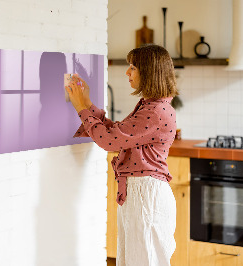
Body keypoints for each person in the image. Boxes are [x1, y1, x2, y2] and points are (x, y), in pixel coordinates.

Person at [66, 44, 178, 266]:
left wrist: (81, 108)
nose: (127, 72)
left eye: (133, 67)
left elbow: (109, 141)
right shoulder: (151, 106)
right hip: (141, 193)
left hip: (146, 195)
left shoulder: (155, 111)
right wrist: (87, 103)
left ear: (149, 72)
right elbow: (117, 133)